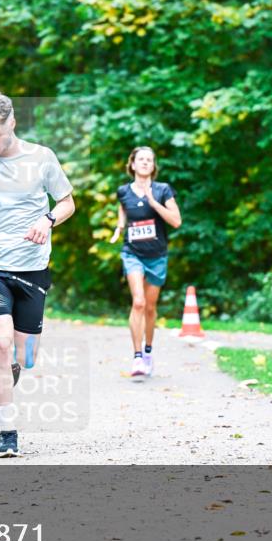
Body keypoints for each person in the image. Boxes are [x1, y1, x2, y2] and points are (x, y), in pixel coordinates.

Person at [0, 92, 76, 457]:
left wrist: (48, 219)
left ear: (12, 123)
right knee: (1, 342)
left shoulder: (42, 157)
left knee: (24, 353)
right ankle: (7, 429)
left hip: (32, 264)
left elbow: (68, 201)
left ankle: (12, 365)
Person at [110, 146, 181, 378]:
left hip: (157, 255)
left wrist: (154, 202)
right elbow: (123, 212)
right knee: (138, 302)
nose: (145, 163)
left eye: (149, 160)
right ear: (132, 164)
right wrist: (119, 227)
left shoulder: (163, 190)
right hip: (132, 253)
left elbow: (176, 221)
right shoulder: (123, 191)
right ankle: (137, 356)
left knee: (150, 307)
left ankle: (148, 351)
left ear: (153, 165)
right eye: (141, 159)